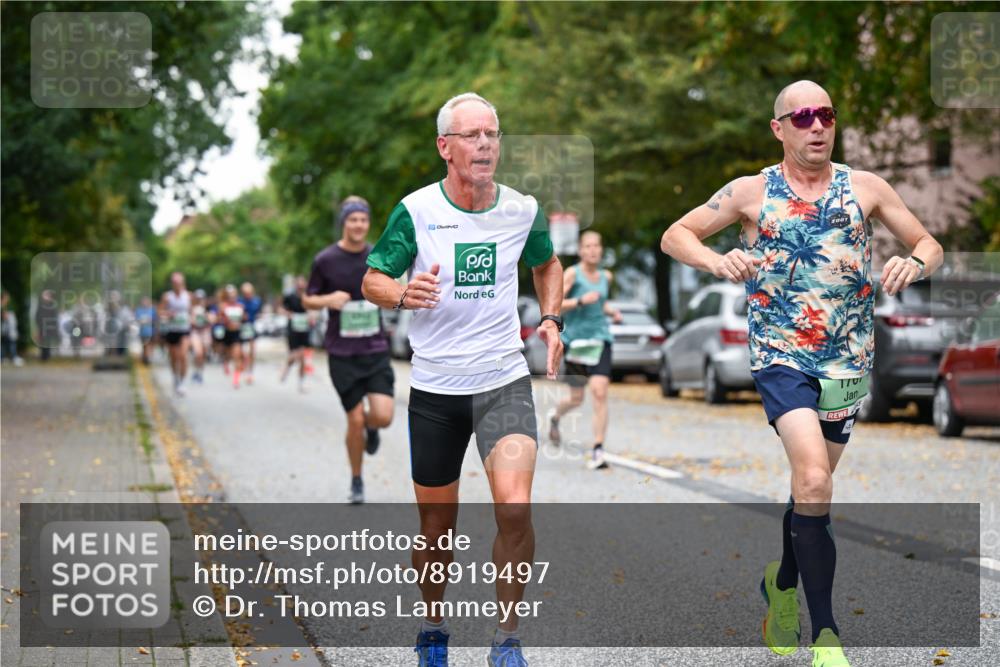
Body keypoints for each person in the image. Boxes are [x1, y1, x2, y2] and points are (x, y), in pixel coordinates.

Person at [660, 80, 943, 667]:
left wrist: (913, 263)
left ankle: (781, 582)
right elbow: (675, 235)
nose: (818, 125)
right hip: (781, 357)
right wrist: (716, 259)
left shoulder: (865, 188)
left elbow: (929, 243)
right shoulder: (749, 191)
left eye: (827, 115)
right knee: (813, 479)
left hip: (848, 360)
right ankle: (828, 637)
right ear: (780, 128)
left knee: (809, 488)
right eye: (804, 116)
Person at [361, 92, 563, 667]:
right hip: (435, 390)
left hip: (502, 381)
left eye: (492, 135)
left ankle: (507, 638)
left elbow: (547, 264)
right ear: (444, 147)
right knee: (435, 528)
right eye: (472, 135)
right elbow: (373, 277)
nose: (484, 145)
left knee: (516, 506)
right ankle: (432, 627)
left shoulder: (521, 209)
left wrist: (550, 318)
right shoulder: (417, 210)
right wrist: (401, 293)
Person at [304, 195, 394, 505]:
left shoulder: (378, 256)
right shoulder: (325, 260)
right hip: (342, 353)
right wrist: (327, 300)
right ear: (344, 222)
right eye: (352, 219)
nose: (358, 224)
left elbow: (394, 287)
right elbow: (307, 299)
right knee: (354, 419)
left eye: (363, 220)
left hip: (375, 349)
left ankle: (373, 429)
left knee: (382, 416)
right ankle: (357, 480)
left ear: (368, 224)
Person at [547, 230, 622, 470]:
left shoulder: (606, 276)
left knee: (600, 392)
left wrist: (611, 311)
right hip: (577, 343)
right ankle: (555, 416)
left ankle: (598, 449)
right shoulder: (572, 273)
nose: (592, 250)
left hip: (600, 340)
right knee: (577, 398)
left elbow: (600, 302)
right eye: (587, 246)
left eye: (596, 246)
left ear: (601, 250)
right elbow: (555, 304)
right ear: (580, 250)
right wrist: (580, 301)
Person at [159, 272, 192, 396]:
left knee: (183, 355)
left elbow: (193, 310)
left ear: (183, 283)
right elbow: (160, 312)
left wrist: (193, 317)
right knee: (174, 357)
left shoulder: (188, 296)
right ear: (172, 284)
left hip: (184, 329)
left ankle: (183, 382)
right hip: (172, 329)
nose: (177, 285)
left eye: (179, 283)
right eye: (175, 283)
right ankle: (175, 377)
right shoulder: (167, 296)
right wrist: (168, 314)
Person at [280, 275, 314, 392]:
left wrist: (312, 316)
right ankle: (287, 367)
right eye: (298, 283)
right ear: (295, 284)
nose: (300, 286)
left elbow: (314, 309)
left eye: (302, 283)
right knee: (294, 356)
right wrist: (289, 315)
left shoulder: (309, 296)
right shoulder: (290, 297)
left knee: (302, 356)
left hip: (304, 329)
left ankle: (301, 382)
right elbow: (281, 309)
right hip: (293, 329)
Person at [219, 285, 246, 390]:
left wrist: (242, 319)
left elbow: (244, 318)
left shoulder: (240, 306)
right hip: (227, 333)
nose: (232, 298)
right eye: (230, 296)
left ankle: (236, 380)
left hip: (237, 334)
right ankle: (225, 362)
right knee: (228, 354)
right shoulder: (223, 306)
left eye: (234, 296)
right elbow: (219, 318)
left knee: (237, 355)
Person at [238, 282, 263, 385]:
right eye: (245, 293)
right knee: (240, 350)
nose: (247, 295)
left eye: (248, 293)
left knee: (252, 350)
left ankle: (250, 372)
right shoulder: (239, 301)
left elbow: (258, 313)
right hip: (241, 327)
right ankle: (243, 363)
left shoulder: (257, 301)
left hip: (251, 327)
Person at [190, 289, 210, 383]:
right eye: (198, 298)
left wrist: (207, 319)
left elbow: (213, 319)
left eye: (201, 298)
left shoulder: (207, 308)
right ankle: (196, 370)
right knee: (198, 353)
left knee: (204, 354)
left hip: (205, 333)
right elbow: (191, 321)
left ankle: (200, 372)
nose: (199, 300)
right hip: (195, 332)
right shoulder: (192, 308)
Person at [35, 289, 60, 361]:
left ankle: (47, 355)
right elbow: (37, 316)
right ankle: (43, 355)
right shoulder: (40, 305)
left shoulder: (53, 306)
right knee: (42, 341)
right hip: (42, 327)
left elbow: (55, 317)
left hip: (49, 327)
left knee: (47, 341)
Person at [1, 291, 23, 366]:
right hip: (5, 328)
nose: (8, 299)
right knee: (11, 343)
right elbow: (5, 317)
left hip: (6, 329)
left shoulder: (5, 306)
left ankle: (2, 358)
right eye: (7, 298)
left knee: (4, 343)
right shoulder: (2, 306)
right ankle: (14, 357)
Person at [134, 296, 157, 365]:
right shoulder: (139, 310)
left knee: (150, 345)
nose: (145, 303)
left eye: (146, 301)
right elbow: (137, 320)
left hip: (151, 331)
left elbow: (155, 319)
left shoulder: (152, 310)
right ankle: (146, 357)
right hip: (143, 332)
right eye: (144, 301)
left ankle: (147, 357)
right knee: (145, 345)